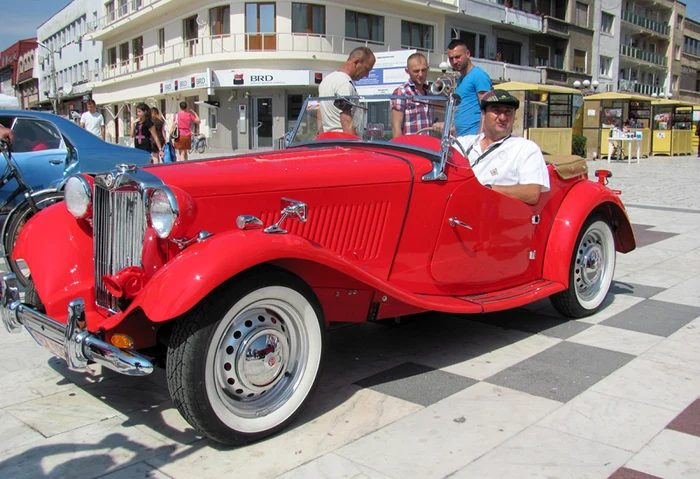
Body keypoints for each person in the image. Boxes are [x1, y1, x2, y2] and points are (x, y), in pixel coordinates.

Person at [456, 89, 549, 205]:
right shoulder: (463, 143)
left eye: (508, 112)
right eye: (496, 111)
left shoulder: (525, 148)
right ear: (483, 114)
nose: (503, 117)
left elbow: (532, 193)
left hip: (495, 213)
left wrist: (488, 189)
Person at [318, 46, 376, 136]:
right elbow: (345, 119)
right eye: (367, 69)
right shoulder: (344, 84)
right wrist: (355, 146)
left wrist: (321, 139)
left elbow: (320, 114)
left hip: (328, 140)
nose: (367, 75)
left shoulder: (326, 80)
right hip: (343, 141)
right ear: (356, 62)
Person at [447, 39, 493, 136]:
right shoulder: (460, 80)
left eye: (457, 57)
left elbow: (487, 109)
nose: (454, 61)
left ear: (467, 54)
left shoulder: (478, 75)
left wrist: (479, 139)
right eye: (451, 58)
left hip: (473, 138)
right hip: (462, 139)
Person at [391, 52, 433, 137]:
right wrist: (399, 149)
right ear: (407, 71)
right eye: (416, 71)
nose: (420, 74)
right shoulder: (402, 92)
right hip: (410, 147)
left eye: (424, 70)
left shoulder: (428, 93)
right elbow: (396, 127)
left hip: (427, 147)